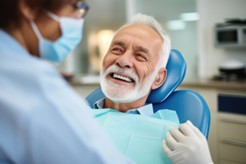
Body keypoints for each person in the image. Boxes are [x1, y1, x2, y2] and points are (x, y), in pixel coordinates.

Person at [0, 0, 133, 163]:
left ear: (159, 77)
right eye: (77, 6)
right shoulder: (34, 84)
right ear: (29, 7)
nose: (79, 17)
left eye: (140, 56)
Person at [91, 13, 213, 164]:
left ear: (158, 78)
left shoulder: (175, 139)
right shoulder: (77, 113)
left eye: (140, 56)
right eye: (117, 49)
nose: (123, 61)